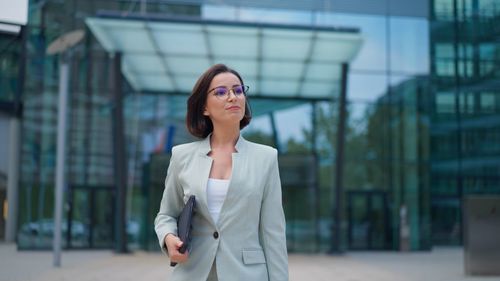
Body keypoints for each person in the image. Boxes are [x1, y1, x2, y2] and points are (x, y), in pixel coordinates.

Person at [154, 64, 288, 281]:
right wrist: (169, 237)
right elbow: (166, 214)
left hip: (247, 274)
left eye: (238, 90)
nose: (233, 97)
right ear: (204, 108)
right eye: (221, 92)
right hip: (193, 272)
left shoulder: (266, 158)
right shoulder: (181, 156)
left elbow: (273, 234)